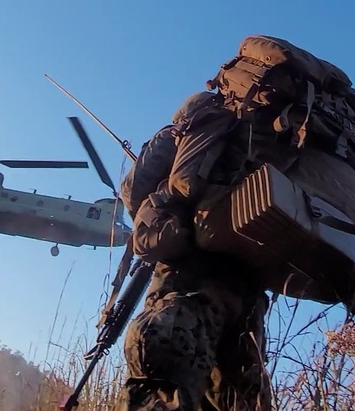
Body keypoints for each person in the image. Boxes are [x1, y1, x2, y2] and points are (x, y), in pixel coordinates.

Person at [114, 89, 274, 411]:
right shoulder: (275, 136)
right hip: (246, 292)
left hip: (187, 279)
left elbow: (133, 191)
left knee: (160, 369)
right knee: (239, 399)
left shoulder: (201, 116)